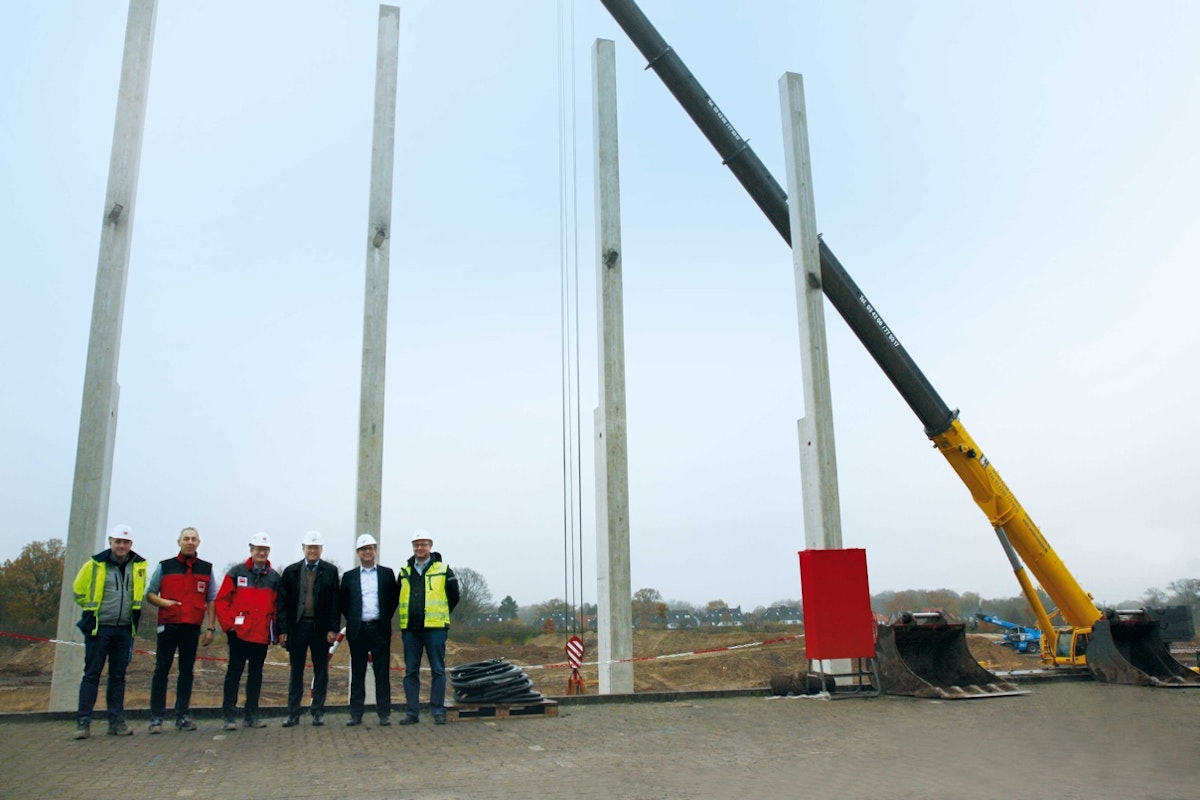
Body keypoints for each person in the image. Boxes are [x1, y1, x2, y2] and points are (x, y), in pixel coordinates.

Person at [71, 523, 149, 739]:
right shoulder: (95, 565)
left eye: (125, 542)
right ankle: (83, 722)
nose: (121, 545)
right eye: (118, 541)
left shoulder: (139, 566)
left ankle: (116, 721)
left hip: (124, 629)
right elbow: (77, 591)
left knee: (118, 676)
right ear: (110, 543)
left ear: (130, 544)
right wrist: (93, 609)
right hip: (99, 628)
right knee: (92, 675)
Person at [145, 526, 217, 733]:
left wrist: (210, 627)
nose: (190, 542)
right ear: (179, 542)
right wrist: (164, 602)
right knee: (161, 670)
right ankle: (157, 718)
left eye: (194, 539)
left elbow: (212, 598)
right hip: (167, 625)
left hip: (192, 627)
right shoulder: (165, 566)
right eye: (186, 538)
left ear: (198, 543)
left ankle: (182, 715)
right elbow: (150, 594)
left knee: (186, 672)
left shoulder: (206, 569)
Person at [215, 532, 280, 731]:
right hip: (239, 634)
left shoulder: (274, 578)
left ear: (268, 551)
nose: (261, 552)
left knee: (255, 675)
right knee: (234, 673)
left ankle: (251, 714)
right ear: (251, 549)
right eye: (258, 549)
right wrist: (230, 626)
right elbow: (222, 601)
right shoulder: (236, 573)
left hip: (260, 635)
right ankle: (229, 715)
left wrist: (275, 633)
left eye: (264, 549)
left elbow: (277, 607)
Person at [277, 530, 340, 727]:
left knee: (321, 671)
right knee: (296, 671)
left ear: (321, 549)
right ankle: (293, 713)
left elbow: (334, 603)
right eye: (309, 547)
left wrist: (333, 629)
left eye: (316, 547)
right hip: (297, 628)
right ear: (303, 548)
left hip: (320, 629)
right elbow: (283, 604)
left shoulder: (330, 571)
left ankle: (318, 711)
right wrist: (283, 630)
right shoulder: (291, 572)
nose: (313, 551)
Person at [397, 529, 459, 725]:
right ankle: (412, 712)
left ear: (430, 546)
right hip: (411, 630)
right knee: (411, 671)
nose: (419, 548)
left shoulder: (443, 569)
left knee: (438, 670)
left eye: (423, 544)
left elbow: (454, 596)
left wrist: (441, 614)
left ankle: (438, 710)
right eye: (416, 544)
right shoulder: (405, 572)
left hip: (435, 628)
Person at [339, 533, 399, 726]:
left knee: (382, 673)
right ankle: (356, 713)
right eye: (364, 549)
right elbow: (344, 603)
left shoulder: (387, 574)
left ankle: (384, 713)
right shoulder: (348, 577)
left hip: (379, 630)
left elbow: (392, 600)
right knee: (358, 673)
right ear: (358, 553)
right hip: (358, 631)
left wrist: (383, 619)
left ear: (375, 551)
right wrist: (355, 620)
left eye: (371, 548)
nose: (368, 552)